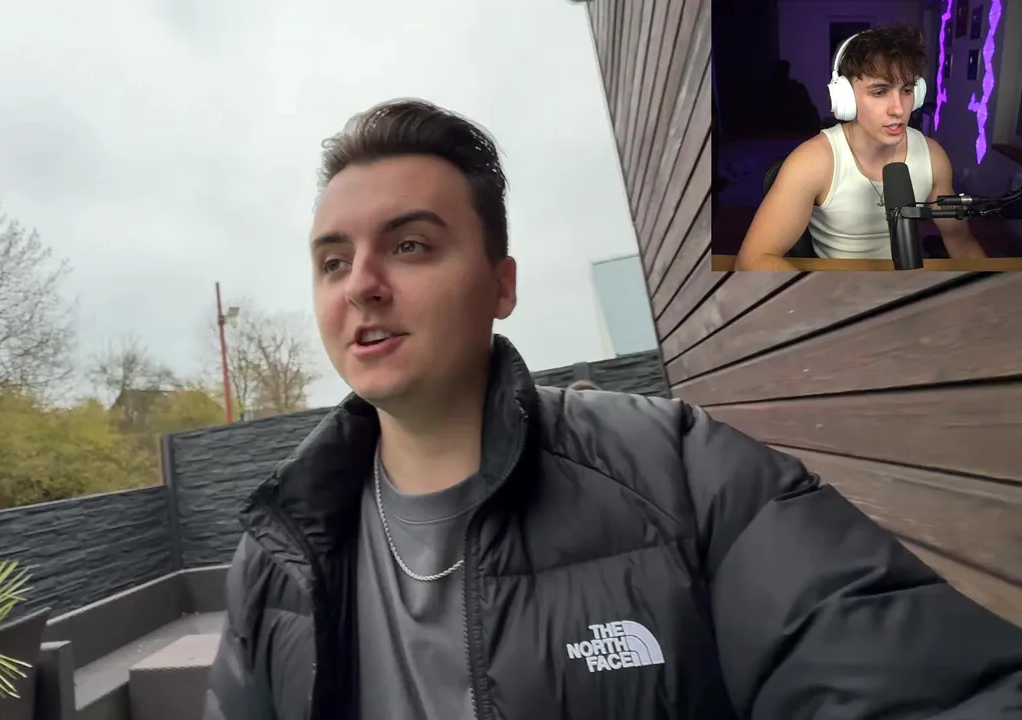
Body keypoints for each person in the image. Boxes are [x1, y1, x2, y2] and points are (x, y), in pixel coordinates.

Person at [205, 98, 1022, 719]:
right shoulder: (279, 551)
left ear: (501, 286)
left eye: (409, 245)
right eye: (333, 261)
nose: (361, 285)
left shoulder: (678, 471)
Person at [735, 23, 986, 270]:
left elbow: (961, 242)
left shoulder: (932, 157)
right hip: (836, 289)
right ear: (845, 98)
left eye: (907, 90)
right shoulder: (813, 161)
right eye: (879, 92)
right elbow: (754, 259)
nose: (898, 109)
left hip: (908, 284)